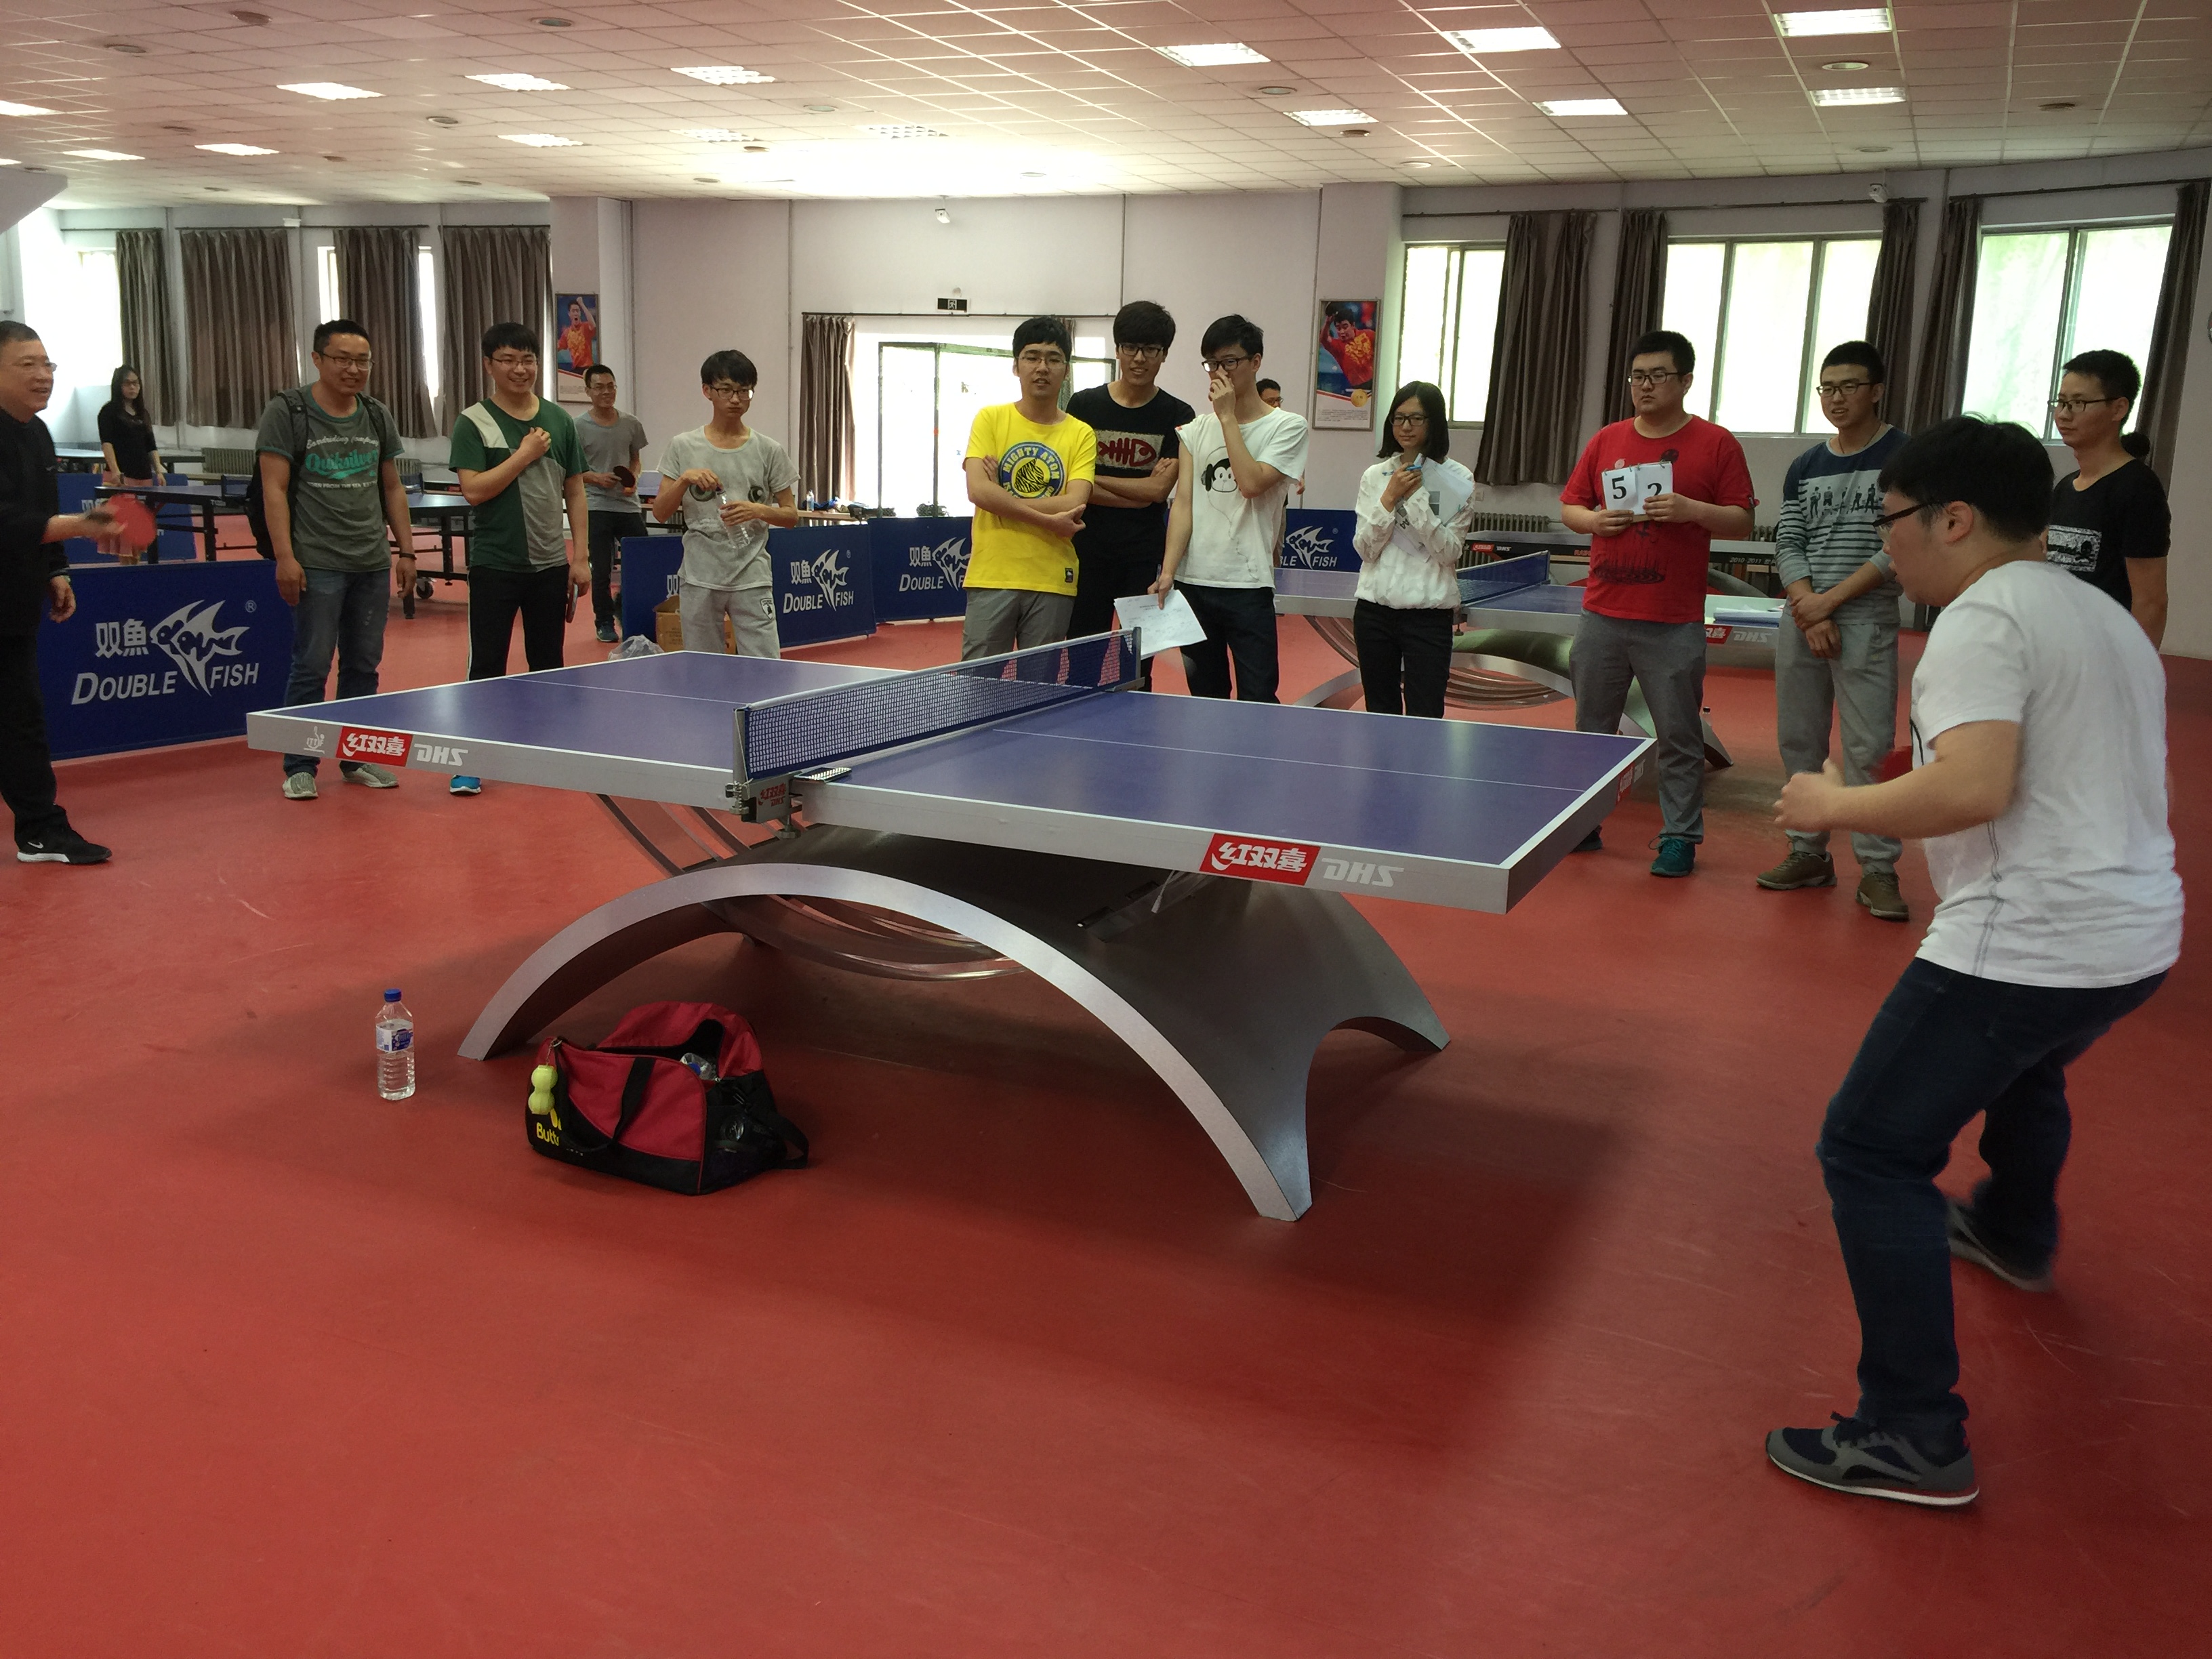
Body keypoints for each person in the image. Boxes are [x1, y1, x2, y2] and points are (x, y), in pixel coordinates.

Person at [1765, 415, 2181, 1508]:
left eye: (1892, 520)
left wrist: (1830, 805)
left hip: (2029, 939)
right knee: (2028, 1068)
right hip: (2135, 938)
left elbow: (1974, 786)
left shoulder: (1982, 618)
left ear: (1953, 519)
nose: (1886, 544)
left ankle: (1911, 1432)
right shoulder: (2102, 615)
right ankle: (2012, 1229)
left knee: (1869, 1149)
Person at [1559, 329, 1755, 877]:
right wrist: (1595, 521)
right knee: (1591, 731)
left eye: (1657, 376)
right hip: (1602, 614)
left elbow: (1742, 520)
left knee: (1679, 736)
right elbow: (1571, 506)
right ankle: (1584, 824)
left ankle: (1679, 837)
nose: (1645, 386)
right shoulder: (1607, 439)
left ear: (1685, 381)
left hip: (1672, 620)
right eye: (1637, 377)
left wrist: (1693, 510)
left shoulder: (1716, 444)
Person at [1758, 341, 1911, 920]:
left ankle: (1878, 869)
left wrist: (1829, 604)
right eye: (1827, 388)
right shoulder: (1805, 465)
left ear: (1876, 391)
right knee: (1800, 740)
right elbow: (1788, 540)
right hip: (1804, 616)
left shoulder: (1905, 457)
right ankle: (1808, 852)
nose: (1836, 398)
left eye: (1849, 387)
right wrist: (1807, 605)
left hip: (1864, 617)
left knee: (1869, 748)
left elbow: (1898, 545)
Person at [260, 319, 417, 800]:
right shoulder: (288, 411)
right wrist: (285, 557)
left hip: (370, 561)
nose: (354, 369)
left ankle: (357, 757)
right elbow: (274, 489)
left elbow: (392, 487)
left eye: (362, 361)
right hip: (317, 562)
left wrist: (406, 550)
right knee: (311, 665)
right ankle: (300, 765)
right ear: (317, 359)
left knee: (363, 666)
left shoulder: (375, 414)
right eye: (343, 359)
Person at [447, 321, 590, 796]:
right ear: (489, 365)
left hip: (550, 564)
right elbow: (473, 490)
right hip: (495, 564)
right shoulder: (473, 422)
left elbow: (575, 491)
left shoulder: (559, 420)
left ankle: (544, 752)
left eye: (527, 359)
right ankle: (472, 760)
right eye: (507, 360)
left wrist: (581, 557)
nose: (519, 368)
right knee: (487, 666)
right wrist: (524, 454)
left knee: (548, 663)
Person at [0, 321, 118, 864]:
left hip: (13, 604)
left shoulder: (37, 433)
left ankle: (40, 831)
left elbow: (42, 510)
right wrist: (83, 526)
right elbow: (7, 520)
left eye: (47, 364)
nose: (43, 375)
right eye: (27, 365)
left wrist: (57, 570)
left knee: (21, 719)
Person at [1149, 316, 1308, 701]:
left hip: (1248, 584)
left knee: (1259, 697)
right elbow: (1183, 504)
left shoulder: (1288, 427)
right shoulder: (1194, 430)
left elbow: (1251, 484)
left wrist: (1227, 418)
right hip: (1194, 583)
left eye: (1230, 362)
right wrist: (1168, 572)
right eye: (1212, 364)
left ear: (1256, 362)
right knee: (1206, 696)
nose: (1219, 373)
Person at [959, 316, 1095, 659]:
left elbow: (1076, 502)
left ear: (1066, 370)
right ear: (1016, 366)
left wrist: (1001, 498)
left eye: (1053, 359)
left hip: (1052, 578)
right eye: (1032, 357)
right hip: (993, 575)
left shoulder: (1081, 434)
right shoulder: (990, 419)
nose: (1042, 367)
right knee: (978, 685)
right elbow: (978, 492)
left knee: (1040, 686)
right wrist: (1049, 520)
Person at [1065, 301, 1191, 659]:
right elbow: (1074, 487)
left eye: (1150, 349)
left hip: (1143, 557)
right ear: (1118, 349)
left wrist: (1093, 480)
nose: (1139, 358)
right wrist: (1139, 494)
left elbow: (1159, 491)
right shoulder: (1084, 406)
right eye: (1131, 347)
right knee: (1082, 658)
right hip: (1086, 551)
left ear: (1164, 354)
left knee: (1137, 661)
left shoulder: (1178, 414)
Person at [651, 349, 798, 657]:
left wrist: (757, 510)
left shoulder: (769, 449)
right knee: (704, 667)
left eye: (744, 391)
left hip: (752, 575)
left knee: (766, 666)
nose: (736, 399)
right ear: (707, 391)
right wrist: (684, 480)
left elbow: (790, 516)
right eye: (726, 390)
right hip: (700, 575)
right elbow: (660, 513)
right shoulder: (683, 446)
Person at [1349, 381, 1475, 717]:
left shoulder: (1459, 478)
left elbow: (1449, 553)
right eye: (1399, 418)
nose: (1406, 426)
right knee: (1380, 711)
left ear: (1434, 422)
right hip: (1375, 613)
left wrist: (1417, 500)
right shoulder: (1375, 476)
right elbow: (1365, 549)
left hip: (1428, 616)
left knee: (1426, 714)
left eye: (1416, 418)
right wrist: (1389, 498)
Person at [2047, 348, 2170, 650]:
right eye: (2061, 402)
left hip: (2105, 656)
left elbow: (2151, 601)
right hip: (2059, 651)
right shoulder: (2065, 488)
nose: (2064, 414)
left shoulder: (2137, 489)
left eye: (2078, 403)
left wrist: (2135, 670)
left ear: (2118, 409)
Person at [576, 364, 647, 643]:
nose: (606, 392)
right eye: (599, 387)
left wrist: (634, 479)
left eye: (611, 386)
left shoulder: (631, 424)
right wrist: (595, 478)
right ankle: (604, 621)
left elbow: (636, 460)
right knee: (602, 570)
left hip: (628, 505)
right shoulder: (578, 427)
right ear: (588, 391)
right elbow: (571, 470)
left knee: (641, 563)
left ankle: (631, 613)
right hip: (596, 505)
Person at [97, 365, 164, 486]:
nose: (132, 387)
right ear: (118, 385)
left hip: (144, 476)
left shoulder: (143, 413)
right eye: (127, 383)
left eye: (136, 383)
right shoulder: (108, 411)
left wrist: (159, 472)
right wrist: (115, 470)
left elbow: (151, 446)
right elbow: (107, 443)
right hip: (121, 475)